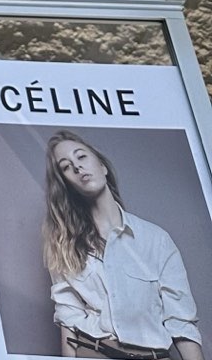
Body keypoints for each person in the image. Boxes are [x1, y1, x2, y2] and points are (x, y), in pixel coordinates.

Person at [42, 129, 204, 358]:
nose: (77, 167)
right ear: (66, 185)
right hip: (95, 351)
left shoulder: (156, 240)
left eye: (81, 156)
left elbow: (181, 322)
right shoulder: (64, 244)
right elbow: (68, 317)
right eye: (66, 167)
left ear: (102, 166)